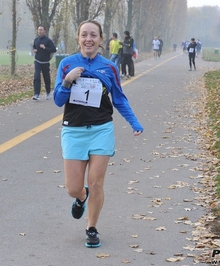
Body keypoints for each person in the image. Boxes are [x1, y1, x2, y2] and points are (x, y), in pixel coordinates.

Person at [53, 19, 143, 248]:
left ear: (101, 39)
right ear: (78, 38)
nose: (88, 39)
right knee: (73, 188)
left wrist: (134, 123)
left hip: (101, 130)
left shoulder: (109, 68)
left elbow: (119, 99)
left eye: (93, 35)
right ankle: (81, 197)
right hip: (73, 131)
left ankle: (91, 228)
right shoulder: (66, 63)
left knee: (96, 183)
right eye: (84, 35)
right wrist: (67, 81)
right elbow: (57, 100)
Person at [32, 25, 57, 100]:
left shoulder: (48, 40)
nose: (39, 31)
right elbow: (34, 47)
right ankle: (36, 94)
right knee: (36, 77)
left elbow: (54, 49)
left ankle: (48, 92)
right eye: (39, 30)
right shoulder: (36, 40)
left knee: (46, 78)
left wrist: (45, 48)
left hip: (45, 62)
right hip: (37, 61)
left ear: (44, 31)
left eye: (41, 30)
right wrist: (34, 50)